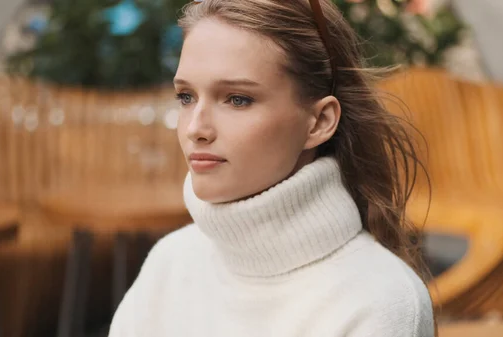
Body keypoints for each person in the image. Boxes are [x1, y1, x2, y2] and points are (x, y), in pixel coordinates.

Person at [109, 0, 435, 336]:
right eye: (186, 97)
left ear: (319, 122)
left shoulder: (381, 301)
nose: (195, 128)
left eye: (237, 99)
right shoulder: (171, 263)